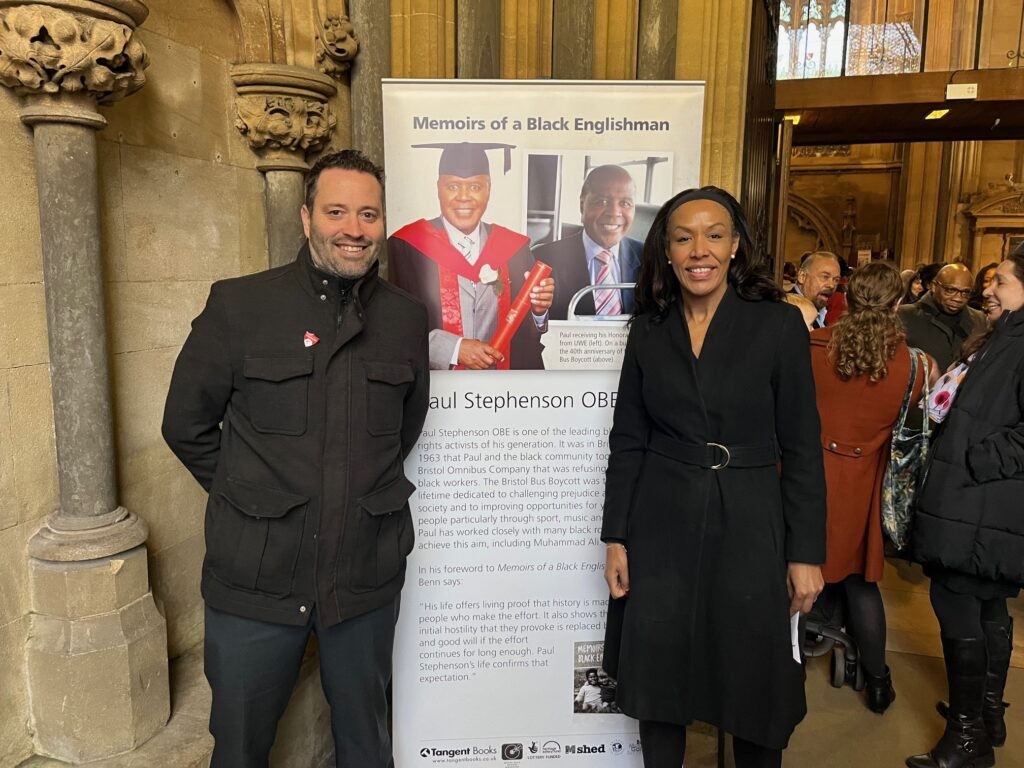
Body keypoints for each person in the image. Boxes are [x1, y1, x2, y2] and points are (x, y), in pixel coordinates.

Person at [161, 150, 430, 768]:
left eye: (368, 213)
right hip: (255, 580)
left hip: (362, 577)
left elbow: (401, 430)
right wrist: (251, 495)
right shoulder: (239, 306)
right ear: (306, 217)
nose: (354, 228)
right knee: (240, 746)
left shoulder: (405, 319)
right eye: (337, 211)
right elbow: (186, 424)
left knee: (366, 744)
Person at [602, 186, 826, 767]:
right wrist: (616, 536)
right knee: (661, 678)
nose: (699, 249)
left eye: (714, 234)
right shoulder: (649, 328)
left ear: (734, 248)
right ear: (667, 252)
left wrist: (805, 553)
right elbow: (628, 438)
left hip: (751, 520)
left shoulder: (777, 326)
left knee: (753, 679)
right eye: (683, 237)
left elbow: (803, 449)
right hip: (662, 521)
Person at [906, 246, 1024, 768]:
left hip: (982, 501)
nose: (988, 290)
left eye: (1001, 281)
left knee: (958, 608)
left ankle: (967, 737)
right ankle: (985, 712)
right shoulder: (1007, 335)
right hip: (982, 505)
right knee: (989, 607)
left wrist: (975, 459)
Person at [809, 261, 925, 716]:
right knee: (861, 583)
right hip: (864, 483)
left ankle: (779, 668)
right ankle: (878, 682)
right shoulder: (913, 365)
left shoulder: (811, 347)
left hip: (805, 478)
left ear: (847, 297)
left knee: (790, 573)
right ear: (898, 303)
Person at [388, 141, 554, 370]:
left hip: (501, 395)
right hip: (435, 395)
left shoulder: (514, 249)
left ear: (489, 189)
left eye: (475, 187)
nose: (463, 197)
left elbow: (528, 338)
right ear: (438, 188)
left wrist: (538, 311)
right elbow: (392, 329)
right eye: (453, 186)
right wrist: (454, 349)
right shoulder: (407, 247)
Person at [534, 164, 643, 320]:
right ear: (581, 205)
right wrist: (538, 312)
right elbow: (529, 331)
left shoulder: (650, 259)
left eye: (625, 203)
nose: (614, 213)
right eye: (602, 201)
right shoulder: (543, 259)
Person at [898, 263, 987, 372]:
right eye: (950, 290)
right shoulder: (904, 316)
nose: (958, 299)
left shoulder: (980, 320)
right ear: (934, 286)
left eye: (965, 293)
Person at [791, 251, 841, 327]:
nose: (831, 285)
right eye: (825, 277)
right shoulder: (787, 311)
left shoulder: (823, 311)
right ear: (802, 276)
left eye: (836, 280)